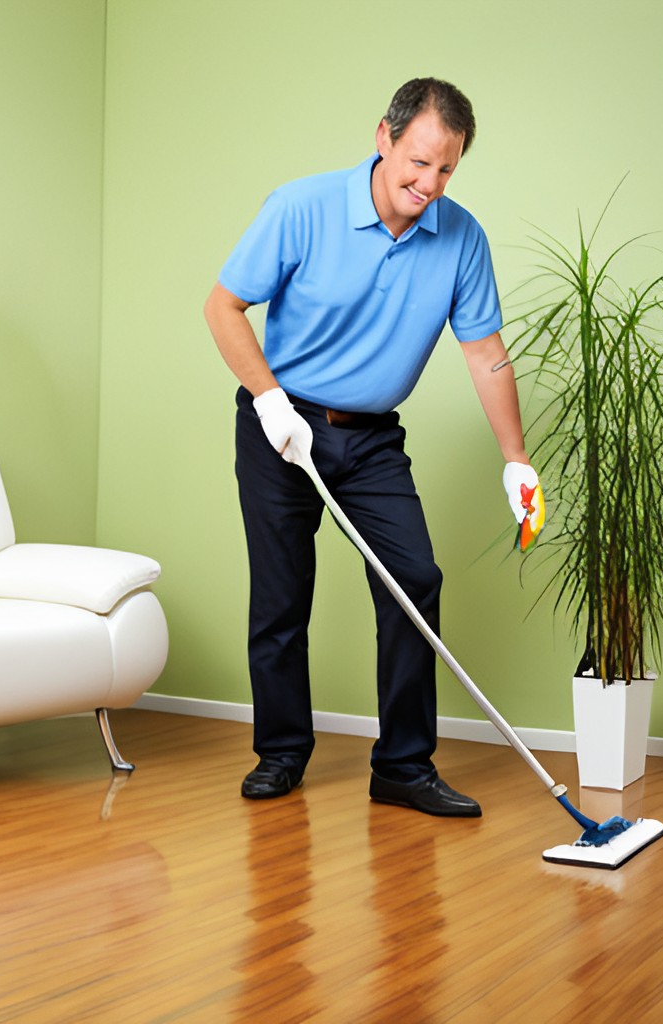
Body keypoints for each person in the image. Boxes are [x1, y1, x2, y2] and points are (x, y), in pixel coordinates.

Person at [203, 77, 541, 817]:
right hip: (279, 425)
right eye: (418, 161)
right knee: (283, 596)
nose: (429, 182)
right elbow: (223, 306)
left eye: (446, 168)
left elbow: (485, 351)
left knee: (414, 581)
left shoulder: (461, 237)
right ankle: (282, 753)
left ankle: (403, 767)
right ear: (383, 137)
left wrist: (516, 457)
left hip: (372, 439)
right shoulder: (302, 207)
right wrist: (268, 399)